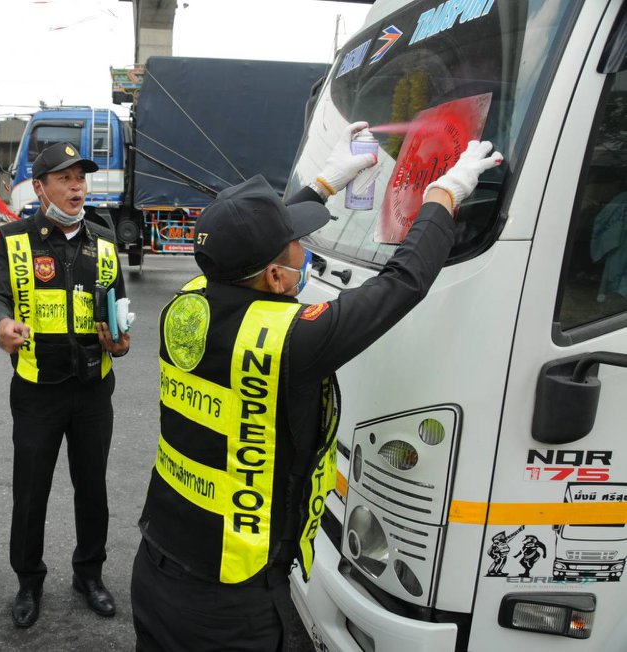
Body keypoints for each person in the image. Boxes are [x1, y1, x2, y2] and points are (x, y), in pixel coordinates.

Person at [131, 123, 503, 651]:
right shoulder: (286, 342)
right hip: (227, 602)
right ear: (277, 279)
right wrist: (443, 195)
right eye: (298, 244)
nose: (305, 251)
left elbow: (252, 243)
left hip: (155, 566)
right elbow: (402, 283)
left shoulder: (189, 301)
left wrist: (326, 183)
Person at [0, 142, 131, 628]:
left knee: (92, 489)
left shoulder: (104, 242)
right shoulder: (12, 239)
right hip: (37, 389)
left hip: (92, 389)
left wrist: (120, 341)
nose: (76, 188)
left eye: (81, 179)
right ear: (41, 186)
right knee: (31, 492)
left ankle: (89, 574)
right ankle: (29, 581)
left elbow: (118, 312)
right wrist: (2, 325)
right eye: (65, 179)